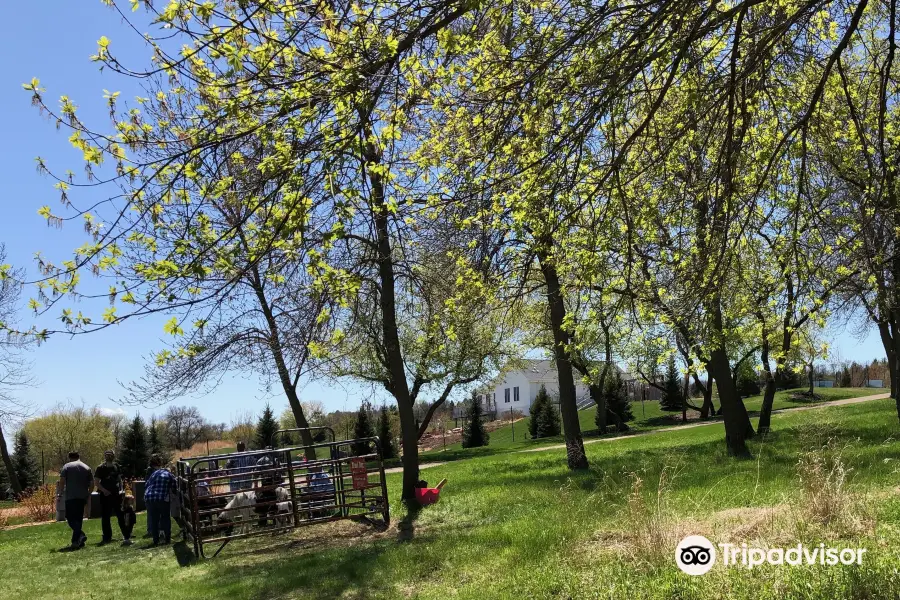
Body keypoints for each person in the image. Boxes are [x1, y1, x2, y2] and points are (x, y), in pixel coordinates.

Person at [57, 451, 93, 550]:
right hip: (82, 496)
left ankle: (78, 537)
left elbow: (62, 481)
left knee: (69, 517)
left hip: (71, 496)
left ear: (69, 458)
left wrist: (59, 493)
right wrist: (88, 494)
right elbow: (91, 483)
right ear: (79, 456)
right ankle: (78, 540)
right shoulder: (86, 467)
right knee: (78, 518)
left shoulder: (67, 466)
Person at [94, 450, 126, 545]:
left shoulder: (116, 466)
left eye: (110, 455)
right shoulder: (100, 468)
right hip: (105, 496)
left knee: (120, 515)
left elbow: (120, 480)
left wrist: (122, 489)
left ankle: (126, 533)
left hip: (116, 495)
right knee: (105, 516)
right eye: (107, 455)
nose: (108, 456)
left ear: (113, 456)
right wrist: (104, 491)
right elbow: (96, 482)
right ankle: (107, 537)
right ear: (104, 456)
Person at [144, 454, 176, 546]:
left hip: (149, 498)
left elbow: (146, 485)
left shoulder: (153, 474)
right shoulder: (169, 474)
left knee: (154, 520)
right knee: (165, 517)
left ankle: (155, 540)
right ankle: (167, 539)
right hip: (161, 498)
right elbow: (174, 487)